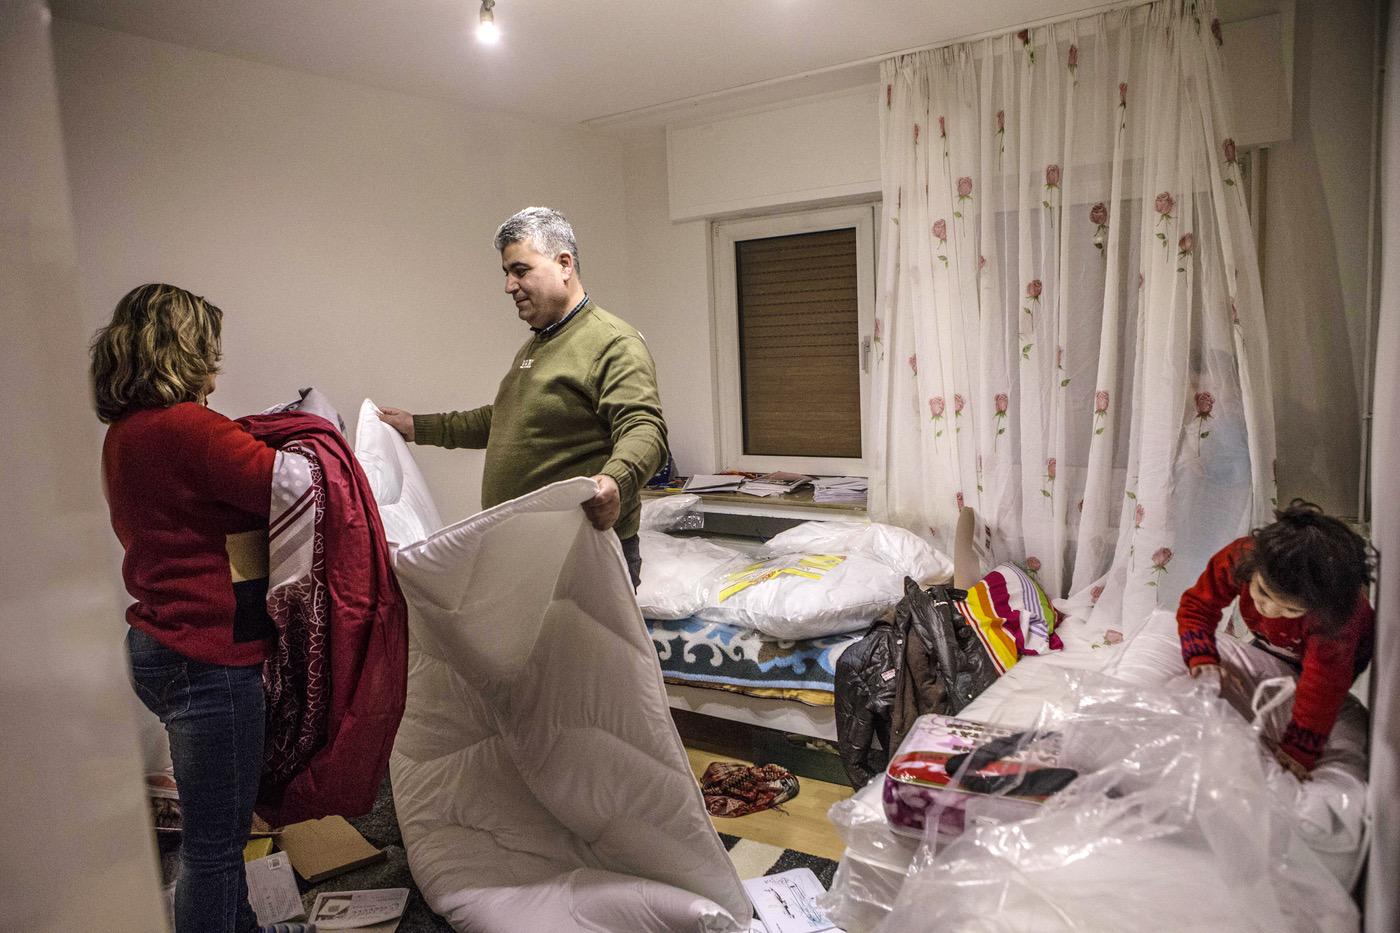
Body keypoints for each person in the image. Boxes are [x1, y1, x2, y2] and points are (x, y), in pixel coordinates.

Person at [92, 284, 275, 933]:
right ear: (187, 347)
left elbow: (193, 507)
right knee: (215, 847)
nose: (215, 365)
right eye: (210, 349)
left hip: (156, 642)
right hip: (209, 655)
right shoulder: (190, 428)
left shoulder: (125, 434)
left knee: (213, 831)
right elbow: (279, 484)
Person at [378, 206, 668, 588]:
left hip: (582, 552)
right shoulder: (539, 343)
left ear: (564, 264)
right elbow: (502, 419)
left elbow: (645, 427)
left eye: (520, 270)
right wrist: (418, 427)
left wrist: (615, 481)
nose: (509, 286)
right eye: (506, 274)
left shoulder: (613, 340)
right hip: (527, 550)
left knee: (578, 651)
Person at [1176, 500, 1374, 780]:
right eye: (1263, 592)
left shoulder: (1335, 620)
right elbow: (1198, 605)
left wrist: (1299, 750)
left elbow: (1323, 685)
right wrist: (1202, 657)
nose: (1268, 609)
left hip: (1335, 659)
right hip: (1276, 642)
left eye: (1291, 609)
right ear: (1254, 567)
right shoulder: (1242, 556)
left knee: (1308, 699)